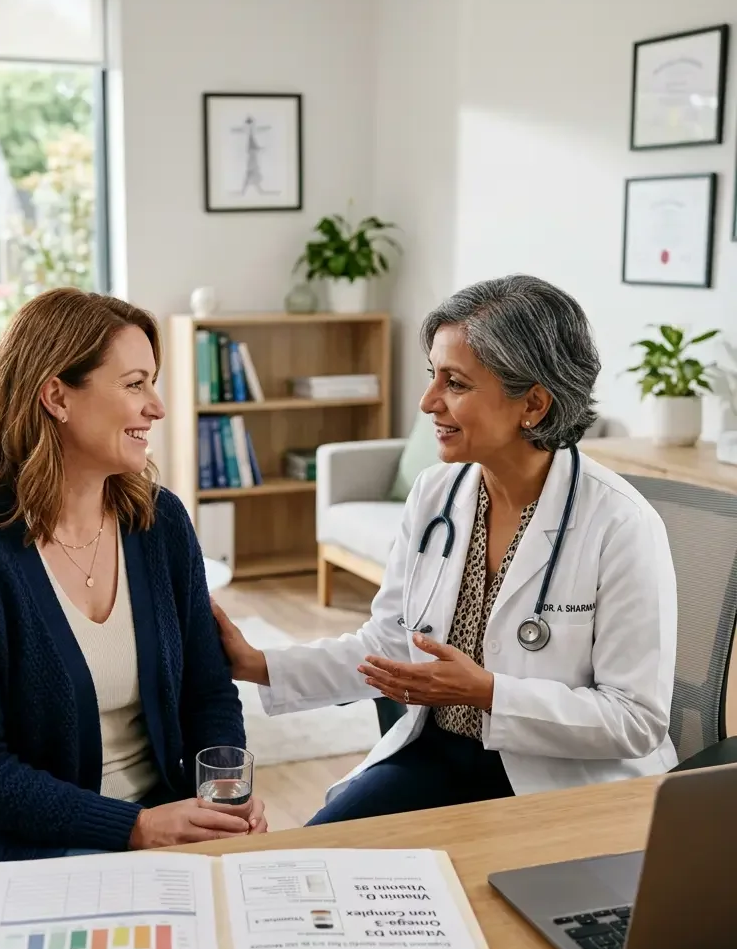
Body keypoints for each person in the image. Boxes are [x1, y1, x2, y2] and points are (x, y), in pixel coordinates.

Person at [213, 274, 678, 825]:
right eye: (433, 375)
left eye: (454, 383)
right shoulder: (438, 492)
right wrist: (260, 664)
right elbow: (389, 644)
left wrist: (489, 693)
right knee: (319, 851)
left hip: (563, 778)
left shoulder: (619, 523)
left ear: (532, 403)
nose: (427, 401)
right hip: (439, 754)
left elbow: (635, 720)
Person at [0, 288, 265, 877]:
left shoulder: (159, 521)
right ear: (57, 396)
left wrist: (222, 794)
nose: (157, 407)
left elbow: (209, 691)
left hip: (158, 828)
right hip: (11, 847)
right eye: (134, 384)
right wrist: (133, 829)